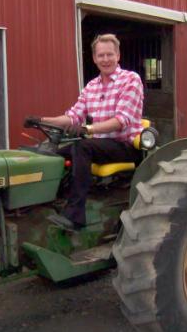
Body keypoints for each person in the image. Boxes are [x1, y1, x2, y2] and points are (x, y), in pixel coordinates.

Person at [27, 34, 144, 230]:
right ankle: (47, 204)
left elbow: (121, 121)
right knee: (52, 153)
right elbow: (73, 116)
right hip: (100, 145)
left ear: (118, 55)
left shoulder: (130, 80)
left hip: (124, 146)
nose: (105, 59)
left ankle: (75, 216)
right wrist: (42, 121)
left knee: (81, 147)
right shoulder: (92, 86)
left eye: (109, 54)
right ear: (94, 58)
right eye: (101, 55)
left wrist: (88, 129)